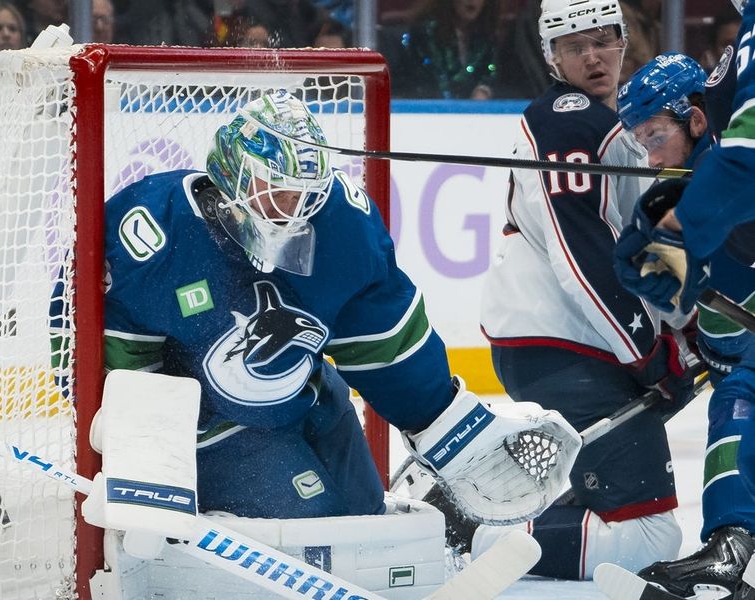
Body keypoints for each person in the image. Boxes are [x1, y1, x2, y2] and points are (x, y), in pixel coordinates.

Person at [77, 89, 578, 523]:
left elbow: (382, 337)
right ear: (233, 173)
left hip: (313, 396)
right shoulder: (152, 232)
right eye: (278, 192)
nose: (292, 210)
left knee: (363, 516)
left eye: (303, 195)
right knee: (317, 527)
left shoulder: (340, 222)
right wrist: (150, 454)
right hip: (212, 430)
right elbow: (91, 350)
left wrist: (442, 419)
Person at [476, 0, 698, 581]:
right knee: (648, 537)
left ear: (623, 40)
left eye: (602, 41)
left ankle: (499, 519)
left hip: (571, 343)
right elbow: (582, 257)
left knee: (631, 516)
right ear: (552, 57)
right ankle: (469, 531)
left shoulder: (610, 122)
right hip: (567, 347)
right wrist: (648, 353)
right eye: (575, 46)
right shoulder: (569, 121)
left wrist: (681, 325)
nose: (593, 57)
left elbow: (635, 243)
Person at [612, 25, 755, 600]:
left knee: (742, 395)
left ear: (696, 121)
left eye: (656, 136)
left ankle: (728, 549)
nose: (651, 157)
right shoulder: (691, 183)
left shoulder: (725, 172)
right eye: (641, 143)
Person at [380, 0, 499, 99]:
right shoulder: (425, 34)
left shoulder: (486, 39)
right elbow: (433, 81)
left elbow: (491, 75)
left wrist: (484, 90)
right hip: (428, 112)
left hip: (472, 115)